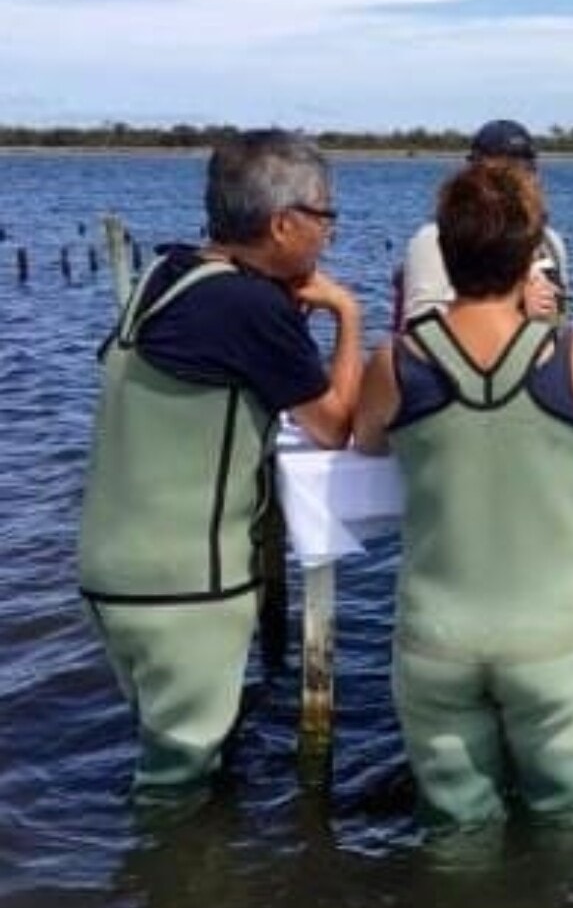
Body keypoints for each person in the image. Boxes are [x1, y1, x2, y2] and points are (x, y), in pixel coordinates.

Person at [353, 158, 573, 830]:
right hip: (552, 640)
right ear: (530, 255)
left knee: (456, 833)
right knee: (572, 824)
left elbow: (367, 442)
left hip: (436, 640)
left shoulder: (397, 360)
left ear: (445, 250)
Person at [77, 130, 364, 795]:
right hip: (186, 588)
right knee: (176, 784)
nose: (329, 234)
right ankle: (178, 866)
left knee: (168, 752)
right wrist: (348, 315)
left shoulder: (166, 274)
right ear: (283, 224)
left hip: (110, 571)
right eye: (325, 216)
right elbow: (333, 427)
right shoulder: (249, 305)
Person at [397, 118, 567, 329]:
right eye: (503, 174)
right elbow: (423, 331)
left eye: (525, 172)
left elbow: (559, 322)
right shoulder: (433, 239)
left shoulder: (550, 242)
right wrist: (518, 312)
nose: (517, 184)